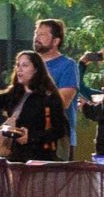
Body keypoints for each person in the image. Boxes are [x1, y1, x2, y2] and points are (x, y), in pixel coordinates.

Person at [0, 48, 67, 163]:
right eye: (18, 65)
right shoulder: (14, 94)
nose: (19, 69)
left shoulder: (48, 97)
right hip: (15, 157)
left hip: (40, 159)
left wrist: (31, 136)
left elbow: (60, 130)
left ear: (36, 69)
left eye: (25, 65)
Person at [34, 20, 81, 157]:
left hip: (58, 138)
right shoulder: (29, 64)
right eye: (36, 33)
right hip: (29, 137)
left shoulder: (68, 65)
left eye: (42, 34)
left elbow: (63, 102)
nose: (37, 37)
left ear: (56, 41)